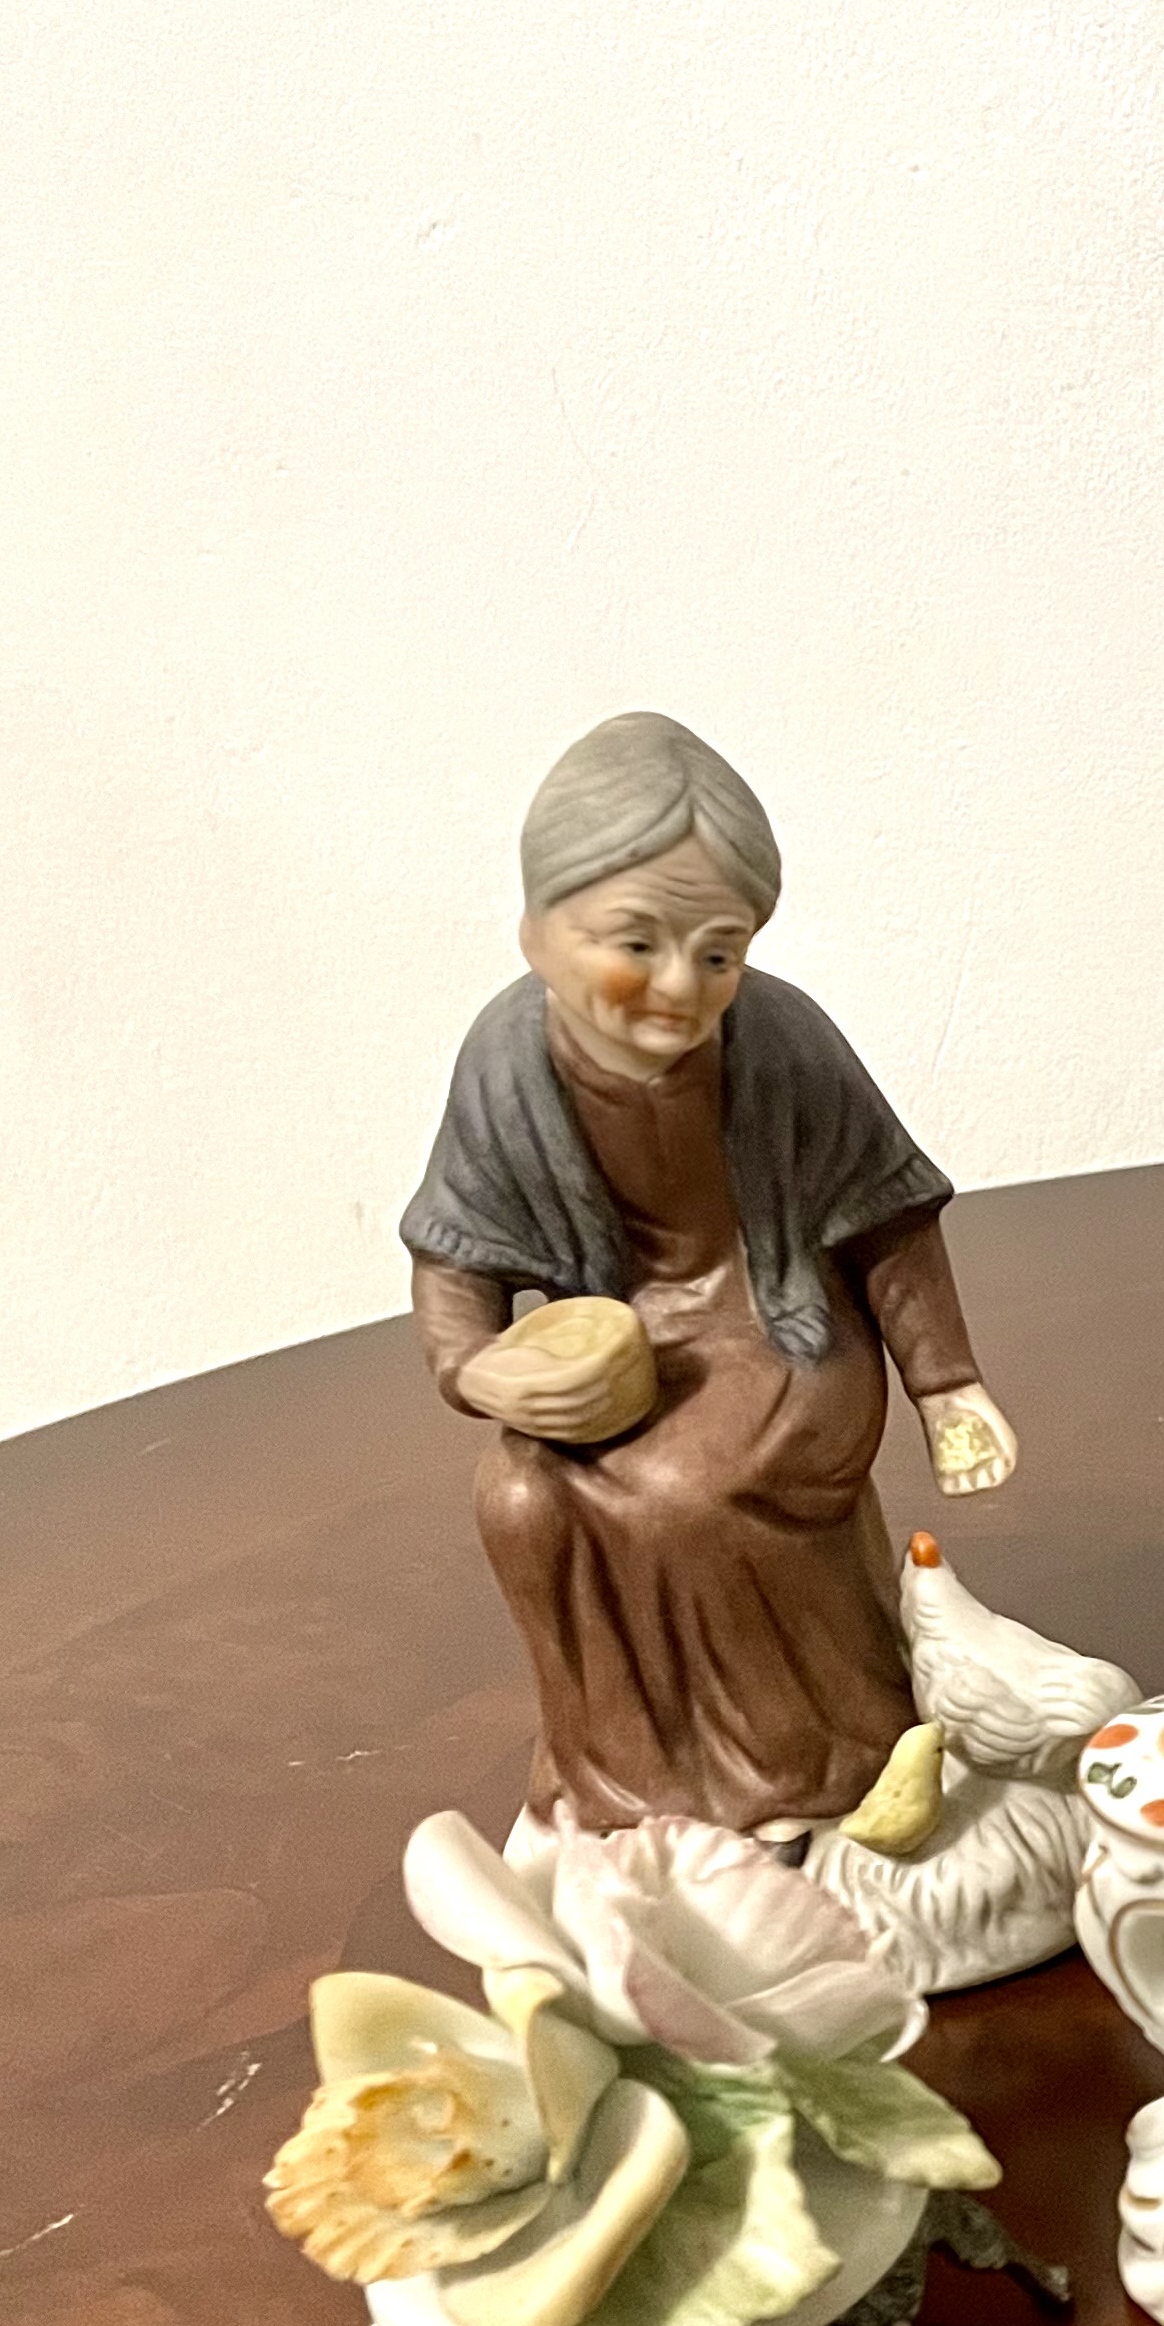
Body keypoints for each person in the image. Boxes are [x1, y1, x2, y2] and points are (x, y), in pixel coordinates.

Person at [401, 713, 1014, 1833]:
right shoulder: (505, 1063)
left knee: (692, 1489)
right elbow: (456, 1256)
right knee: (521, 1500)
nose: (679, 986)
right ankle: (616, 1783)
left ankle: (810, 1769)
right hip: (617, 1341)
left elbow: (888, 1218)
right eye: (635, 945)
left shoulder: (784, 1043)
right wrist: (480, 1369)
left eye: (718, 952)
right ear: (537, 933)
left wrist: (947, 1386)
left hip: (782, 1323)